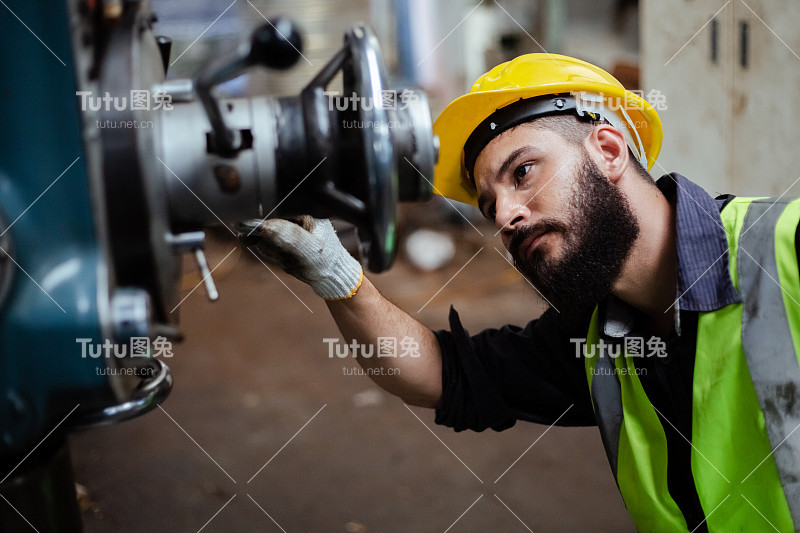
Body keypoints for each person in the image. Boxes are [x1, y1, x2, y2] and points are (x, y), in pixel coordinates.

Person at [255, 54, 800, 532]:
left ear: (609, 151)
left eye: (523, 172)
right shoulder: (596, 335)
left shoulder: (785, 250)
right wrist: (340, 279)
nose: (506, 218)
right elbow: (442, 374)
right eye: (490, 207)